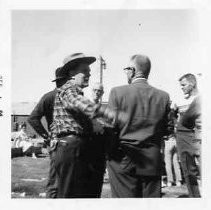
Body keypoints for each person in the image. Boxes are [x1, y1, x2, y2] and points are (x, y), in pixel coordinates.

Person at [49, 53, 127, 198]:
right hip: (70, 147)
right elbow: (78, 102)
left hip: (72, 147)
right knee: (68, 195)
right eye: (84, 71)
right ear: (72, 73)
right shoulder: (68, 90)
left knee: (73, 193)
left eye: (89, 72)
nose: (88, 75)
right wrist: (111, 114)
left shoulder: (72, 91)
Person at [107, 54, 171, 198]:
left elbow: (110, 128)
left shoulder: (117, 92)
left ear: (133, 70)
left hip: (123, 157)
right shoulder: (163, 96)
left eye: (127, 69)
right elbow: (166, 129)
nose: (126, 73)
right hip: (151, 158)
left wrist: (110, 154)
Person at [28, 67, 68, 198]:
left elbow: (33, 118)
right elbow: (32, 118)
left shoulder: (50, 96)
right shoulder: (51, 97)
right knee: (56, 180)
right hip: (58, 142)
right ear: (64, 80)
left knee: (63, 180)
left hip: (61, 142)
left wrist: (47, 136)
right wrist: (47, 136)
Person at [175, 73, 201, 197]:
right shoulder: (180, 101)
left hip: (199, 136)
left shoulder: (202, 98)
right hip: (185, 138)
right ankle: (194, 197)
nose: (182, 87)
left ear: (193, 84)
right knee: (188, 169)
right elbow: (174, 117)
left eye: (184, 85)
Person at [164, 108, 182, 187]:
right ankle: (178, 181)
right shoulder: (175, 120)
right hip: (175, 141)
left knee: (168, 163)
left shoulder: (165, 121)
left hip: (167, 141)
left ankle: (170, 181)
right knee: (176, 162)